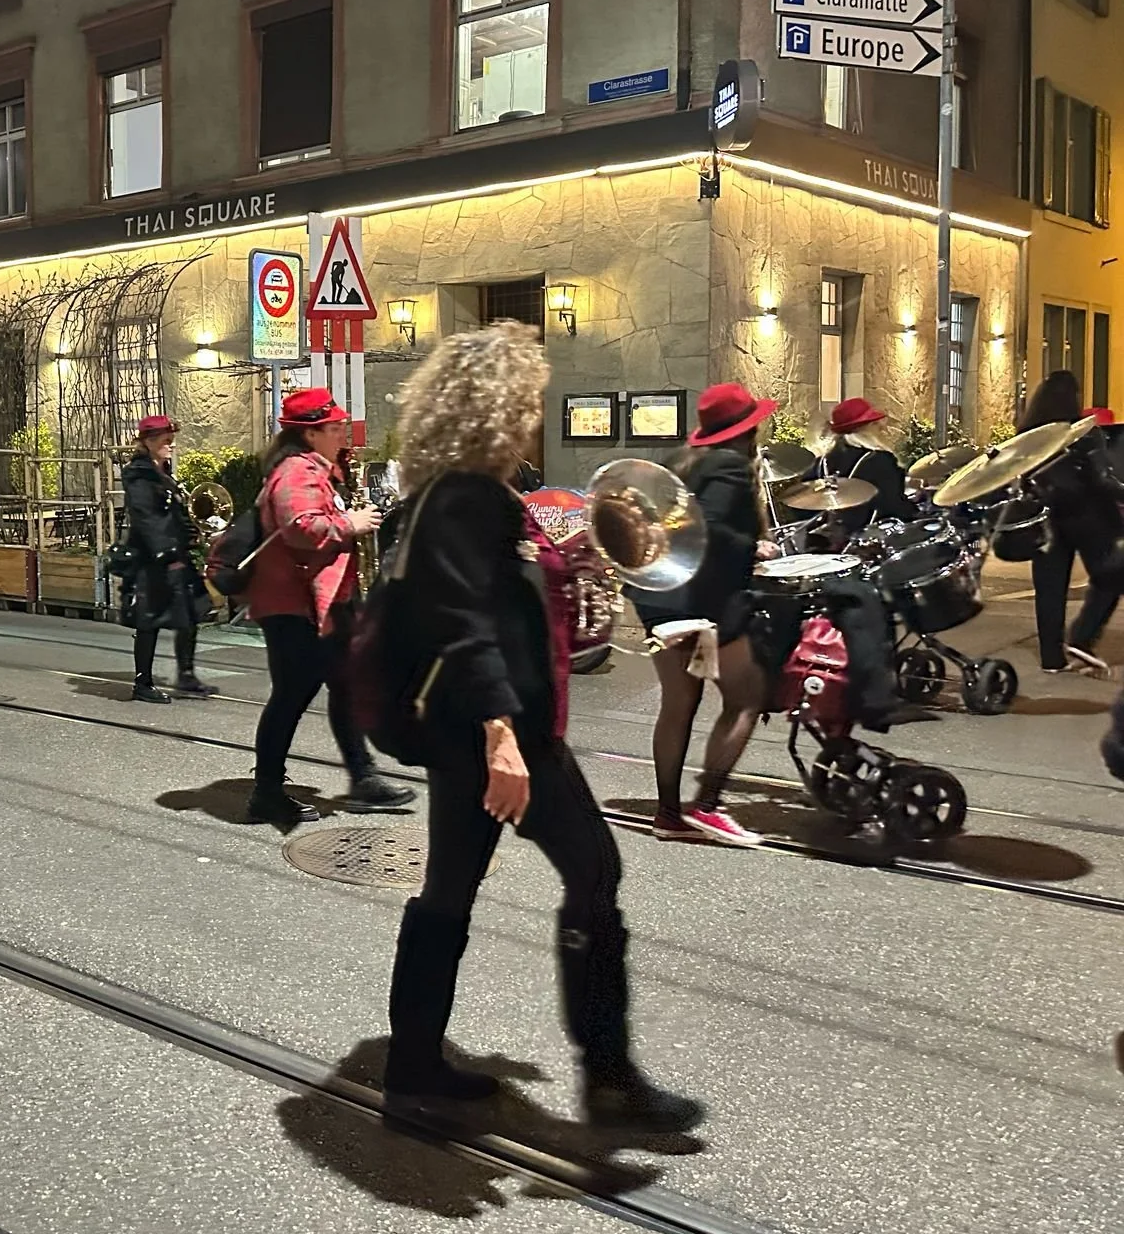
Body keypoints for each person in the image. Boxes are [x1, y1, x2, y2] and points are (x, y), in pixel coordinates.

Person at [377, 323, 704, 1135]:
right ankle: (610, 1080)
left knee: (448, 892)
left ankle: (413, 1073)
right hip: (504, 733)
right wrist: (502, 738)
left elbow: (490, 602)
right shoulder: (467, 498)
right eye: (525, 405)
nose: (532, 420)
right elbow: (464, 623)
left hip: (472, 733)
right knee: (596, 876)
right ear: (494, 408)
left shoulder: (447, 493)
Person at [244, 387, 416, 826]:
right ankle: (266, 792)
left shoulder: (319, 468)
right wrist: (349, 523)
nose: (343, 434)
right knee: (292, 696)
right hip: (294, 608)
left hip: (324, 602)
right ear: (311, 434)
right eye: (336, 428)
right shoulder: (295, 471)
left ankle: (362, 776)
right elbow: (301, 526)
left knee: (345, 686)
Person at [629, 382, 776, 847]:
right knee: (746, 698)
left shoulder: (678, 460)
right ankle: (709, 807)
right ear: (746, 430)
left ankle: (668, 815)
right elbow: (707, 532)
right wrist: (755, 547)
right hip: (704, 603)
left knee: (678, 705)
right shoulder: (731, 464)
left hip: (659, 598)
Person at [1021, 371, 1124, 674]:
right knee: (1111, 577)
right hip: (1087, 517)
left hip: (1044, 519)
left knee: (1049, 588)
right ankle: (1082, 636)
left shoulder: (1025, 436)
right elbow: (1103, 478)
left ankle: (1051, 658)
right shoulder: (1081, 432)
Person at [118, 415, 214, 703]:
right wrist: (166, 553)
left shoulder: (165, 472)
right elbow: (147, 518)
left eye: (172, 441)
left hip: (176, 555)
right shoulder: (138, 474)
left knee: (192, 612)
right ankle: (142, 683)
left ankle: (186, 675)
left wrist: (192, 531)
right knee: (149, 619)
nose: (170, 446)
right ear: (148, 442)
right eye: (165, 441)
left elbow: (173, 512)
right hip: (152, 559)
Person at [816, 397, 916, 542]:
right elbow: (893, 507)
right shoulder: (880, 460)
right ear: (865, 427)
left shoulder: (822, 462)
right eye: (875, 423)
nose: (881, 428)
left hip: (830, 540)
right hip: (869, 541)